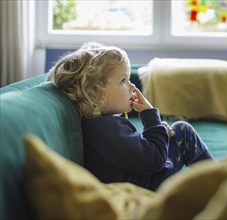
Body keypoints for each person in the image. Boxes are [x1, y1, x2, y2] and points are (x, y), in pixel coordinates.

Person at [48, 44, 216, 191]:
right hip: (154, 185)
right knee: (183, 132)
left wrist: (158, 131)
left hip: (143, 175)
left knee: (173, 131)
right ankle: (221, 182)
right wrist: (149, 115)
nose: (132, 86)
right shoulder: (106, 130)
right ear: (95, 93)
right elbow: (155, 159)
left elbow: (133, 151)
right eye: (123, 81)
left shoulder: (96, 125)